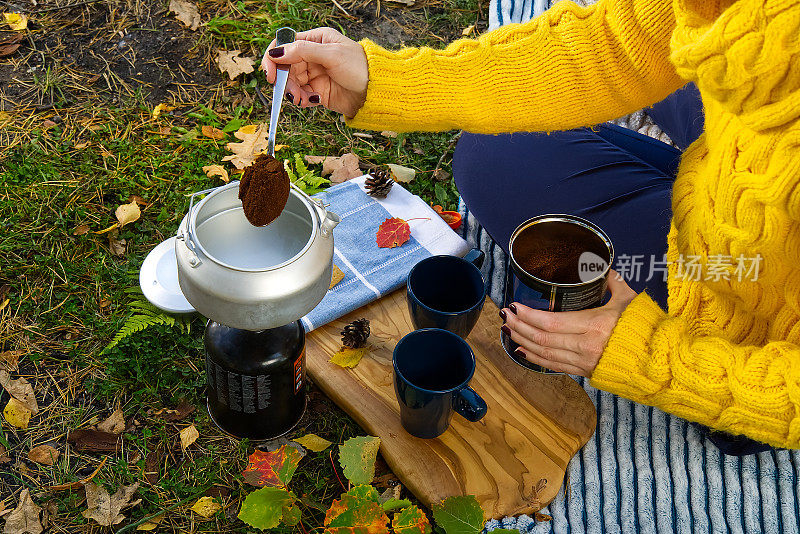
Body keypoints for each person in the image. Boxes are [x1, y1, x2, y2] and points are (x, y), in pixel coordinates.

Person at [261, 0, 800, 453]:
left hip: (756, 324)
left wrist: (651, 357)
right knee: (493, 153)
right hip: (746, 185)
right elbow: (612, 46)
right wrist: (381, 79)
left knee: (502, 164)